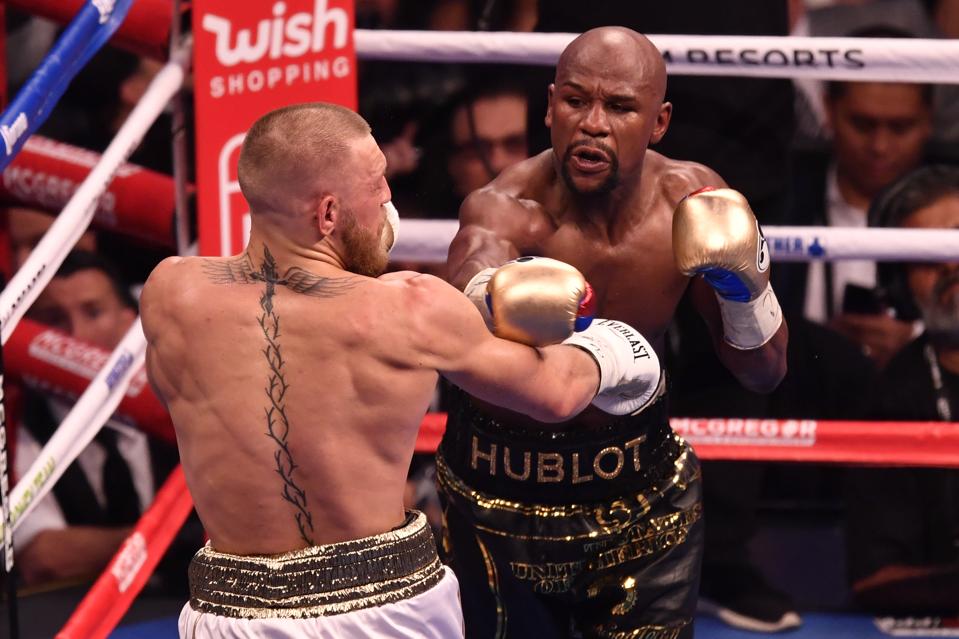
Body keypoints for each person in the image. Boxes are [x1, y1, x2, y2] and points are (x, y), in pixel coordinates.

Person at [140, 102, 661, 638]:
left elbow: (193, 399)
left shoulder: (171, 293)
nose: (389, 198)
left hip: (228, 612)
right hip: (384, 612)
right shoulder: (407, 307)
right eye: (377, 183)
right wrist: (612, 342)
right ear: (327, 214)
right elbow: (557, 393)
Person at [441, 27, 788, 638]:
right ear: (550, 107)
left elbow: (764, 372)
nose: (593, 124)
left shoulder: (692, 204)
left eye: (621, 107)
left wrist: (746, 290)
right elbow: (463, 302)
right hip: (499, 497)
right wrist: (494, 297)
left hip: (643, 498)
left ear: (659, 122)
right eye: (576, 101)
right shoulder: (505, 209)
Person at [778, 28, 936, 369]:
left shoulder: (952, 206)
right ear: (828, 110)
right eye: (862, 124)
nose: (880, 146)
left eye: (900, 127)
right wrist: (822, 345)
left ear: (929, 119)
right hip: (805, 389)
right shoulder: (781, 199)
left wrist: (919, 342)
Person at [844, 165, 959, 615]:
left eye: (957, 239)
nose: (950, 263)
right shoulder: (892, 398)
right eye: (927, 254)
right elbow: (876, 579)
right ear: (900, 285)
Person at [13, 250, 151, 587]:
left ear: (130, 322)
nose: (75, 335)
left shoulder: (179, 406)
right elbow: (44, 557)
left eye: (93, 312)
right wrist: (173, 540)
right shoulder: (18, 423)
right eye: (54, 319)